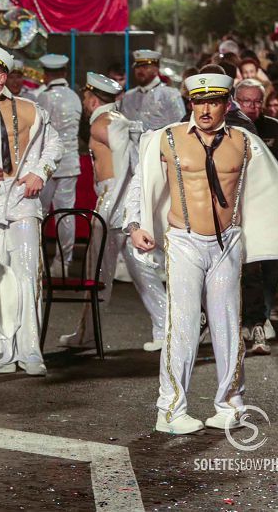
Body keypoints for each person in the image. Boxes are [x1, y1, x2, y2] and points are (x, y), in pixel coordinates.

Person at [125, 72, 278, 435]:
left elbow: (271, 188)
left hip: (227, 242)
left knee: (227, 326)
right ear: (190, 103)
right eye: (198, 101)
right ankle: (171, 409)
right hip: (183, 241)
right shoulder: (165, 139)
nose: (205, 109)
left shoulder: (244, 141)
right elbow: (140, 183)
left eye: (213, 101)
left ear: (228, 103)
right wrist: (135, 224)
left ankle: (230, 404)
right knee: (183, 326)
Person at [0, 44, 62, 376]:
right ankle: (2, 353)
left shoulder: (31, 109)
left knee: (28, 277)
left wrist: (40, 171)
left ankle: (31, 351)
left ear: (2, 76)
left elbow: (54, 143)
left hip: (22, 203)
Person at [57, 73, 167, 352]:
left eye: (85, 97)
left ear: (93, 99)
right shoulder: (116, 122)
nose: (84, 102)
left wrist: (112, 212)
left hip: (112, 208)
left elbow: (120, 172)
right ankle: (165, 328)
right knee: (141, 272)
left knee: (99, 275)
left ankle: (88, 334)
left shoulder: (103, 125)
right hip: (123, 210)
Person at [234, 79, 278, 355]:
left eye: (256, 101)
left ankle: (259, 316)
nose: (252, 107)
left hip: (274, 211)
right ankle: (253, 321)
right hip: (244, 211)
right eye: (246, 101)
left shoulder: (275, 129)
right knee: (249, 267)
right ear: (236, 101)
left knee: (272, 267)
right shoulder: (228, 128)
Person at [35, 53, 82, 275]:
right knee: (66, 214)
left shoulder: (43, 98)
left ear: (46, 74)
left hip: (47, 162)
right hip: (70, 162)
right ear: (64, 73)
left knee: (39, 212)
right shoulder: (75, 96)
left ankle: (38, 261)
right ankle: (63, 263)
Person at [119, 49, 186, 131]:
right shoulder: (128, 96)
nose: (140, 71)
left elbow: (180, 126)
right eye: (137, 67)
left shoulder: (170, 94)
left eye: (145, 67)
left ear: (156, 69)